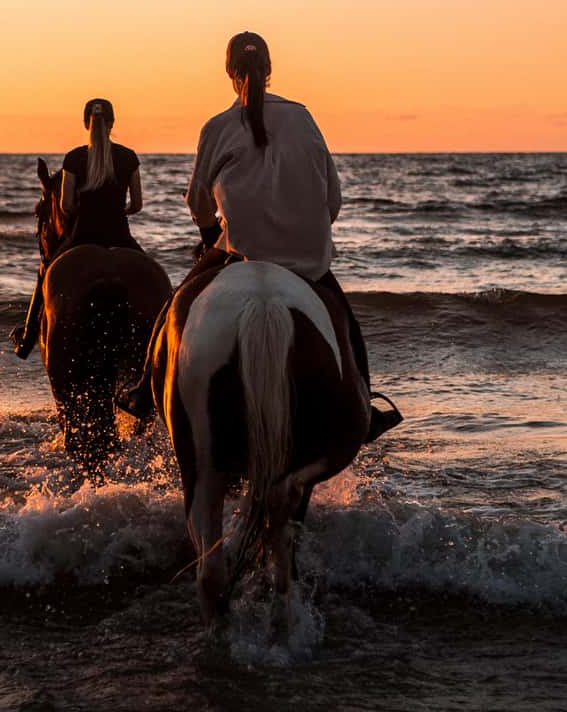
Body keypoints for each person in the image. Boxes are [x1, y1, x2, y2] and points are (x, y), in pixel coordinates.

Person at [116, 31, 400, 442]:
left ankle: (145, 390)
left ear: (229, 72)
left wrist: (213, 229)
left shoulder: (218, 126)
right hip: (306, 259)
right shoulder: (303, 117)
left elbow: (197, 201)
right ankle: (365, 407)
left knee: (174, 308)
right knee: (345, 324)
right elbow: (332, 200)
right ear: (270, 71)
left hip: (238, 254)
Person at [10, 98, 144, 357]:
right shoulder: (129, 157)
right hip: (120, 237)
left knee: (45, 273)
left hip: (82, 235)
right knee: (156, 280)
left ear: (85, 123)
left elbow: (67, 204)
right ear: (112, 123)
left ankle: (26, 340)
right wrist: (118, 210)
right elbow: (137, 204)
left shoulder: (74, 158)